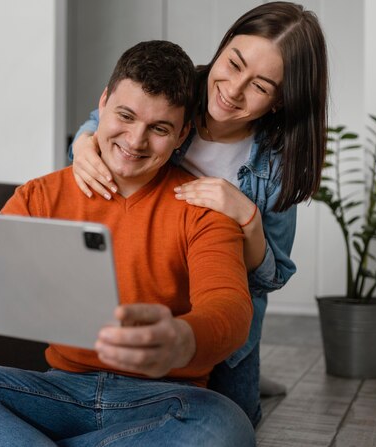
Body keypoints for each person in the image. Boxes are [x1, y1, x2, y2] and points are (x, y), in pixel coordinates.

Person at [0, 40, 256, 447]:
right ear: (102, 103)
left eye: (159, 129)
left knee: (225, 427)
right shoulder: (39, 196)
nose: (135, 141)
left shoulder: (203, 205)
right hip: (57, 392)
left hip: (164, 398)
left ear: (181, 134)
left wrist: (182, 339)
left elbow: (230, 306)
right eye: (125, 115)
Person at [69, 1, 328, 427]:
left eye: (261, 86)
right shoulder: (178, 89)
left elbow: (272, 275)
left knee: (231, 424)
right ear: (223, 45)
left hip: (216, 311)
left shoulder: (276, 164)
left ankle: (255, 378)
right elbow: (108, 121)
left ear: (281, 101)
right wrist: (82, 142)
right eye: (234, 63)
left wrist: (247, 217)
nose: (233, 89)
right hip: (143, 284)